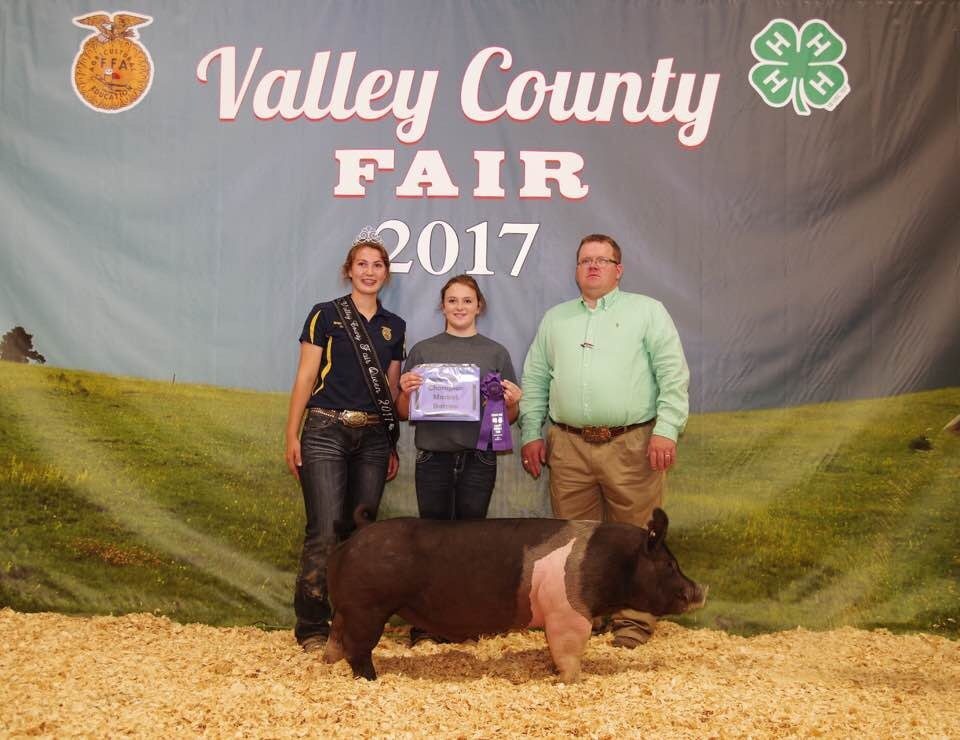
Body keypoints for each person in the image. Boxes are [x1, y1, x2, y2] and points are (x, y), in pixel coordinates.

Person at [518, 233, 689, 649]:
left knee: (637, 535)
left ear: (619, 269)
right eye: (585, 260)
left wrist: (666, 428)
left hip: (631, 442)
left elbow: (672, 374)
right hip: (569, 443)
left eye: (602, 260)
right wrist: (530, 433)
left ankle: (634, 621)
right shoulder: (556, 319)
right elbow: (537, 380)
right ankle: (582, 614)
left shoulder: (647, 312)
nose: (593, 266)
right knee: (576, 538)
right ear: (576, 269)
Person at [284, 231, 405, 652]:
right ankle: (312, 628)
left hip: (373, 436)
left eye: (378, 265)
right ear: (348, 271)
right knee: (323, 530)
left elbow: (388, 394)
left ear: (386, 274)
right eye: (362, 265)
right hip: (325, 430)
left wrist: (391, 443)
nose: (370, 272)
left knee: (361, 533)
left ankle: (352, 624)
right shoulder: (325, 315)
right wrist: (292, 434)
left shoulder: (394, 327)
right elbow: (305, 376)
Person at [397, 275, 521, 645]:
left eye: (467, 300)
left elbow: (507, 419)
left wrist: (512, 403)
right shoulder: (422, 350)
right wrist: (404, 391)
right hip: (433, 457)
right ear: (443, 306)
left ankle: (465, 619)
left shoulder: (495, 353)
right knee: (430, 541)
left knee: (471, 543)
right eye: (452, 300)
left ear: (479, 306)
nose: (460, 307)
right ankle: (426, 622)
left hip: (478, 460)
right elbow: (404, 411)